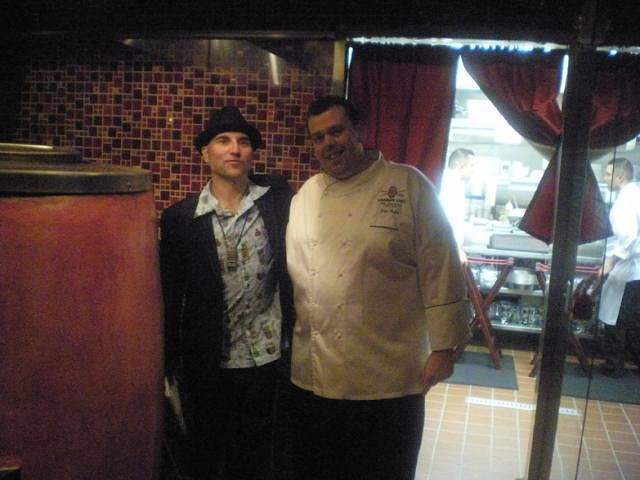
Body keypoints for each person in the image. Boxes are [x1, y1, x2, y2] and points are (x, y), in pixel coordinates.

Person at [285, 95, 471, 480]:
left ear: (359, 130)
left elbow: (441, 267)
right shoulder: (305, 196)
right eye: (318, 137)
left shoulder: (407, 185)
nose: (328, 143)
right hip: (315, 373)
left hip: (389, 377)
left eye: (336, 131)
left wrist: (444, 348)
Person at [160, 106, 295, 479]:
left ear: (252, 153)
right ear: (205, 153)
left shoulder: (278, 201)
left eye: (243, 141)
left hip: (268, 358)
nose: (234, 149)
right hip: (208, 363)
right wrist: (166, 364)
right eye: (223, 141)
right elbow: (170, 296)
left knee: (257, 457)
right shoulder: (180, 219)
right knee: (206, 456)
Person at [598, 157, 640, 378]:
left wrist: (611, 261)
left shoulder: (626, 201)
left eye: (608, 175)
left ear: (620, 177)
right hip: (633, 270)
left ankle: (614, 367)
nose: (605, 178)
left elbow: (628, 236)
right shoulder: (635, 195)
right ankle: (619, 364)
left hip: (628, 268)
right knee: (631, 320)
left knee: (618, 319)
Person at [439, 147, 476, 260]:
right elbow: (447, 221)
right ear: (460, 166)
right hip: (446, 249)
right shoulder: (450, 185)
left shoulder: (455, 183)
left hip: (448, 248)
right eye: (471, 166)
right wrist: (456, 249)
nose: (473, 170)